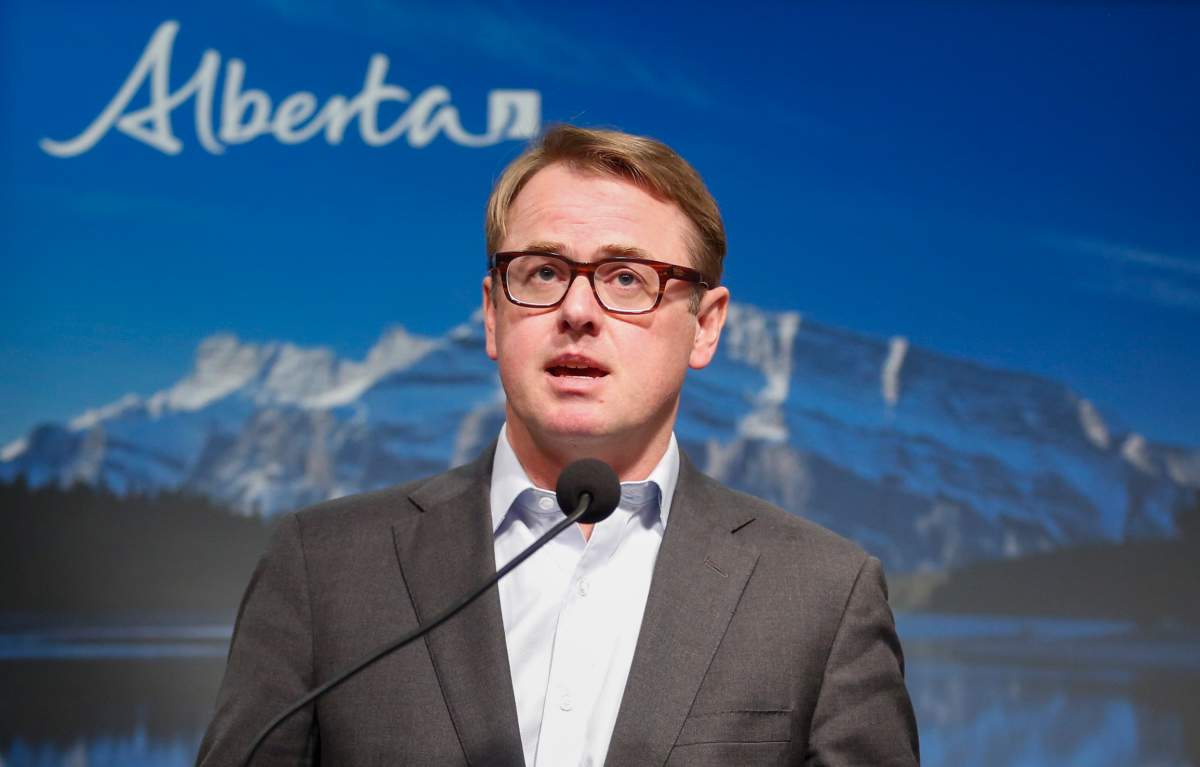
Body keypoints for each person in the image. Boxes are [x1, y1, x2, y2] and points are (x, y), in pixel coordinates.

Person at [197, 125, 919, 766]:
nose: (577, 311)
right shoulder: (324, 568)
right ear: (492, 315)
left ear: (705, 327)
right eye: (543, 272)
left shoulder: (822, 594)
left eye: (627, 278)